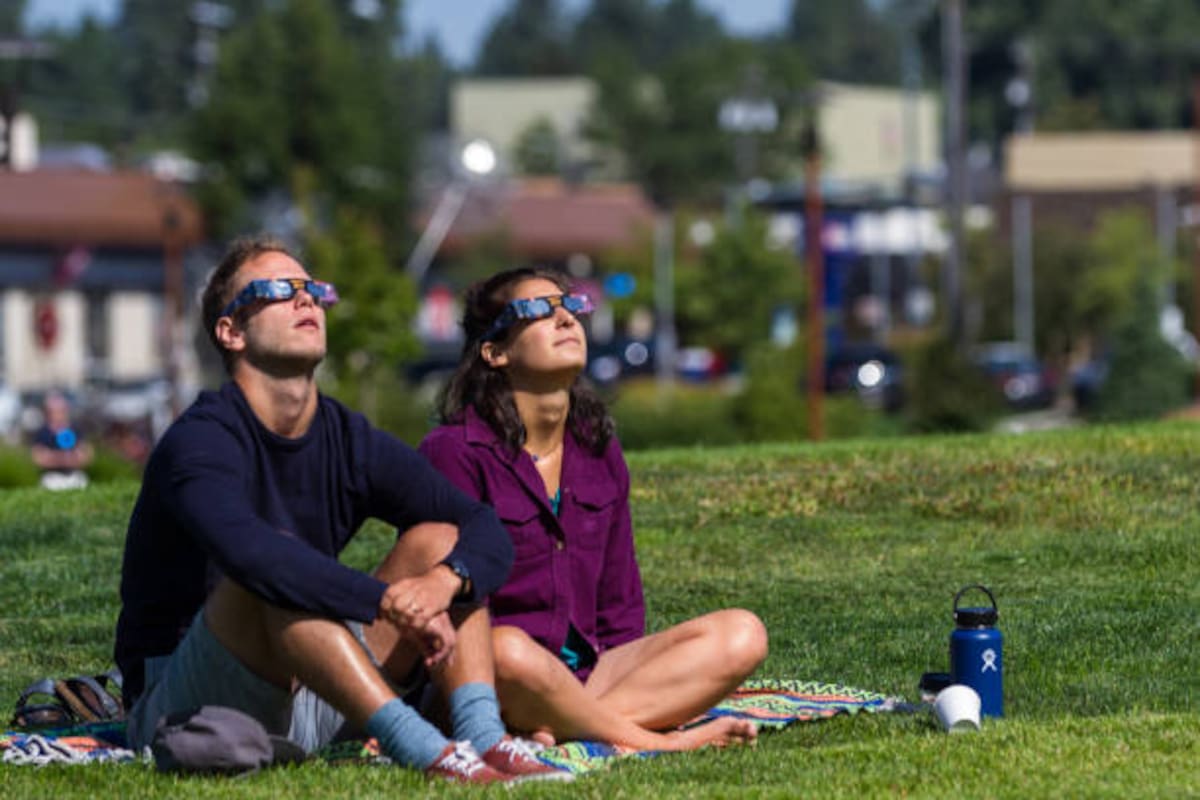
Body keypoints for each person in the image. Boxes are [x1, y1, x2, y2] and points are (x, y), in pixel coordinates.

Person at [113, 236, 569, 784]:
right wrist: (387, 603)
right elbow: (254, 557)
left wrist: (443, 584)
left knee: (441, 541)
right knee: (270, 570)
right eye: (278, 291)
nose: (306, 301)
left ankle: (483, 739)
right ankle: (430, 753)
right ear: (230, 332)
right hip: (189, 706)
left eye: (312, 290)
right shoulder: (200, 441)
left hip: (316, 684)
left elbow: (482, 525)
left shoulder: (344, 435)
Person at [418, 267, 769, 751]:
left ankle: (564, 730)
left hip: (587, 674)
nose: (565, 318)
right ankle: (649, 739)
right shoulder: (453, 451)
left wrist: (631, 668)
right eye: (538, 310)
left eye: (570, 307)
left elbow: (619, 602)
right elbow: (449, 610)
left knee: (743, 634)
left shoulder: (596, 448)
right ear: (495, 351)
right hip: (493, 674)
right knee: (510, 651)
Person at [31, 390, 93, 490]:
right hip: (52, 478)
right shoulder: (42, 433)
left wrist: (54, 457)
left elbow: (86, 456)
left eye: (61, 410)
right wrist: (65, 458)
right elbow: (38, 459)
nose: (58, 414)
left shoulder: (76, 430)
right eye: (54, 411)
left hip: (74, 476)